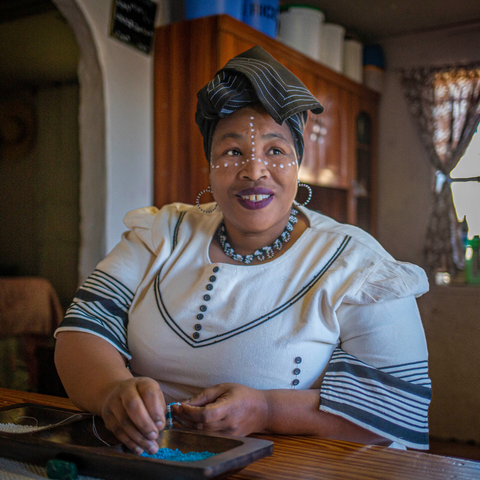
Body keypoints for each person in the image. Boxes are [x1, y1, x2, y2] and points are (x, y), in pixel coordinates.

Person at [54, 46, 431, 456]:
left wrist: (268, 409)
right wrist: (112, 391)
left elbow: (398, 404)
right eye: (233, 151)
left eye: (275, 151)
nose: (254, 171)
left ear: (298, 163)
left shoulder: (357, 264)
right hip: (146, 460)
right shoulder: (161, 233)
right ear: (210, 165)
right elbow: (81, 333)